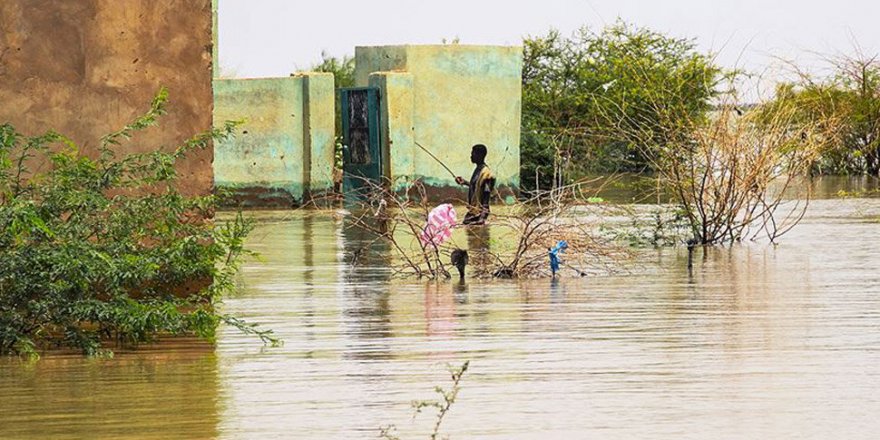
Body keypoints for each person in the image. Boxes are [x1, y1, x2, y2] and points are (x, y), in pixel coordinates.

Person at [455, 144, 495, 225]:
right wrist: (464, 182)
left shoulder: (486, 173)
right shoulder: (478, 169)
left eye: (473, 154)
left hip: (479, 212)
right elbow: (477, 187)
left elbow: (486, 193)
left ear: (479, 155)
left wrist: (482, 217)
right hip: (473, 210)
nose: (471, 156)